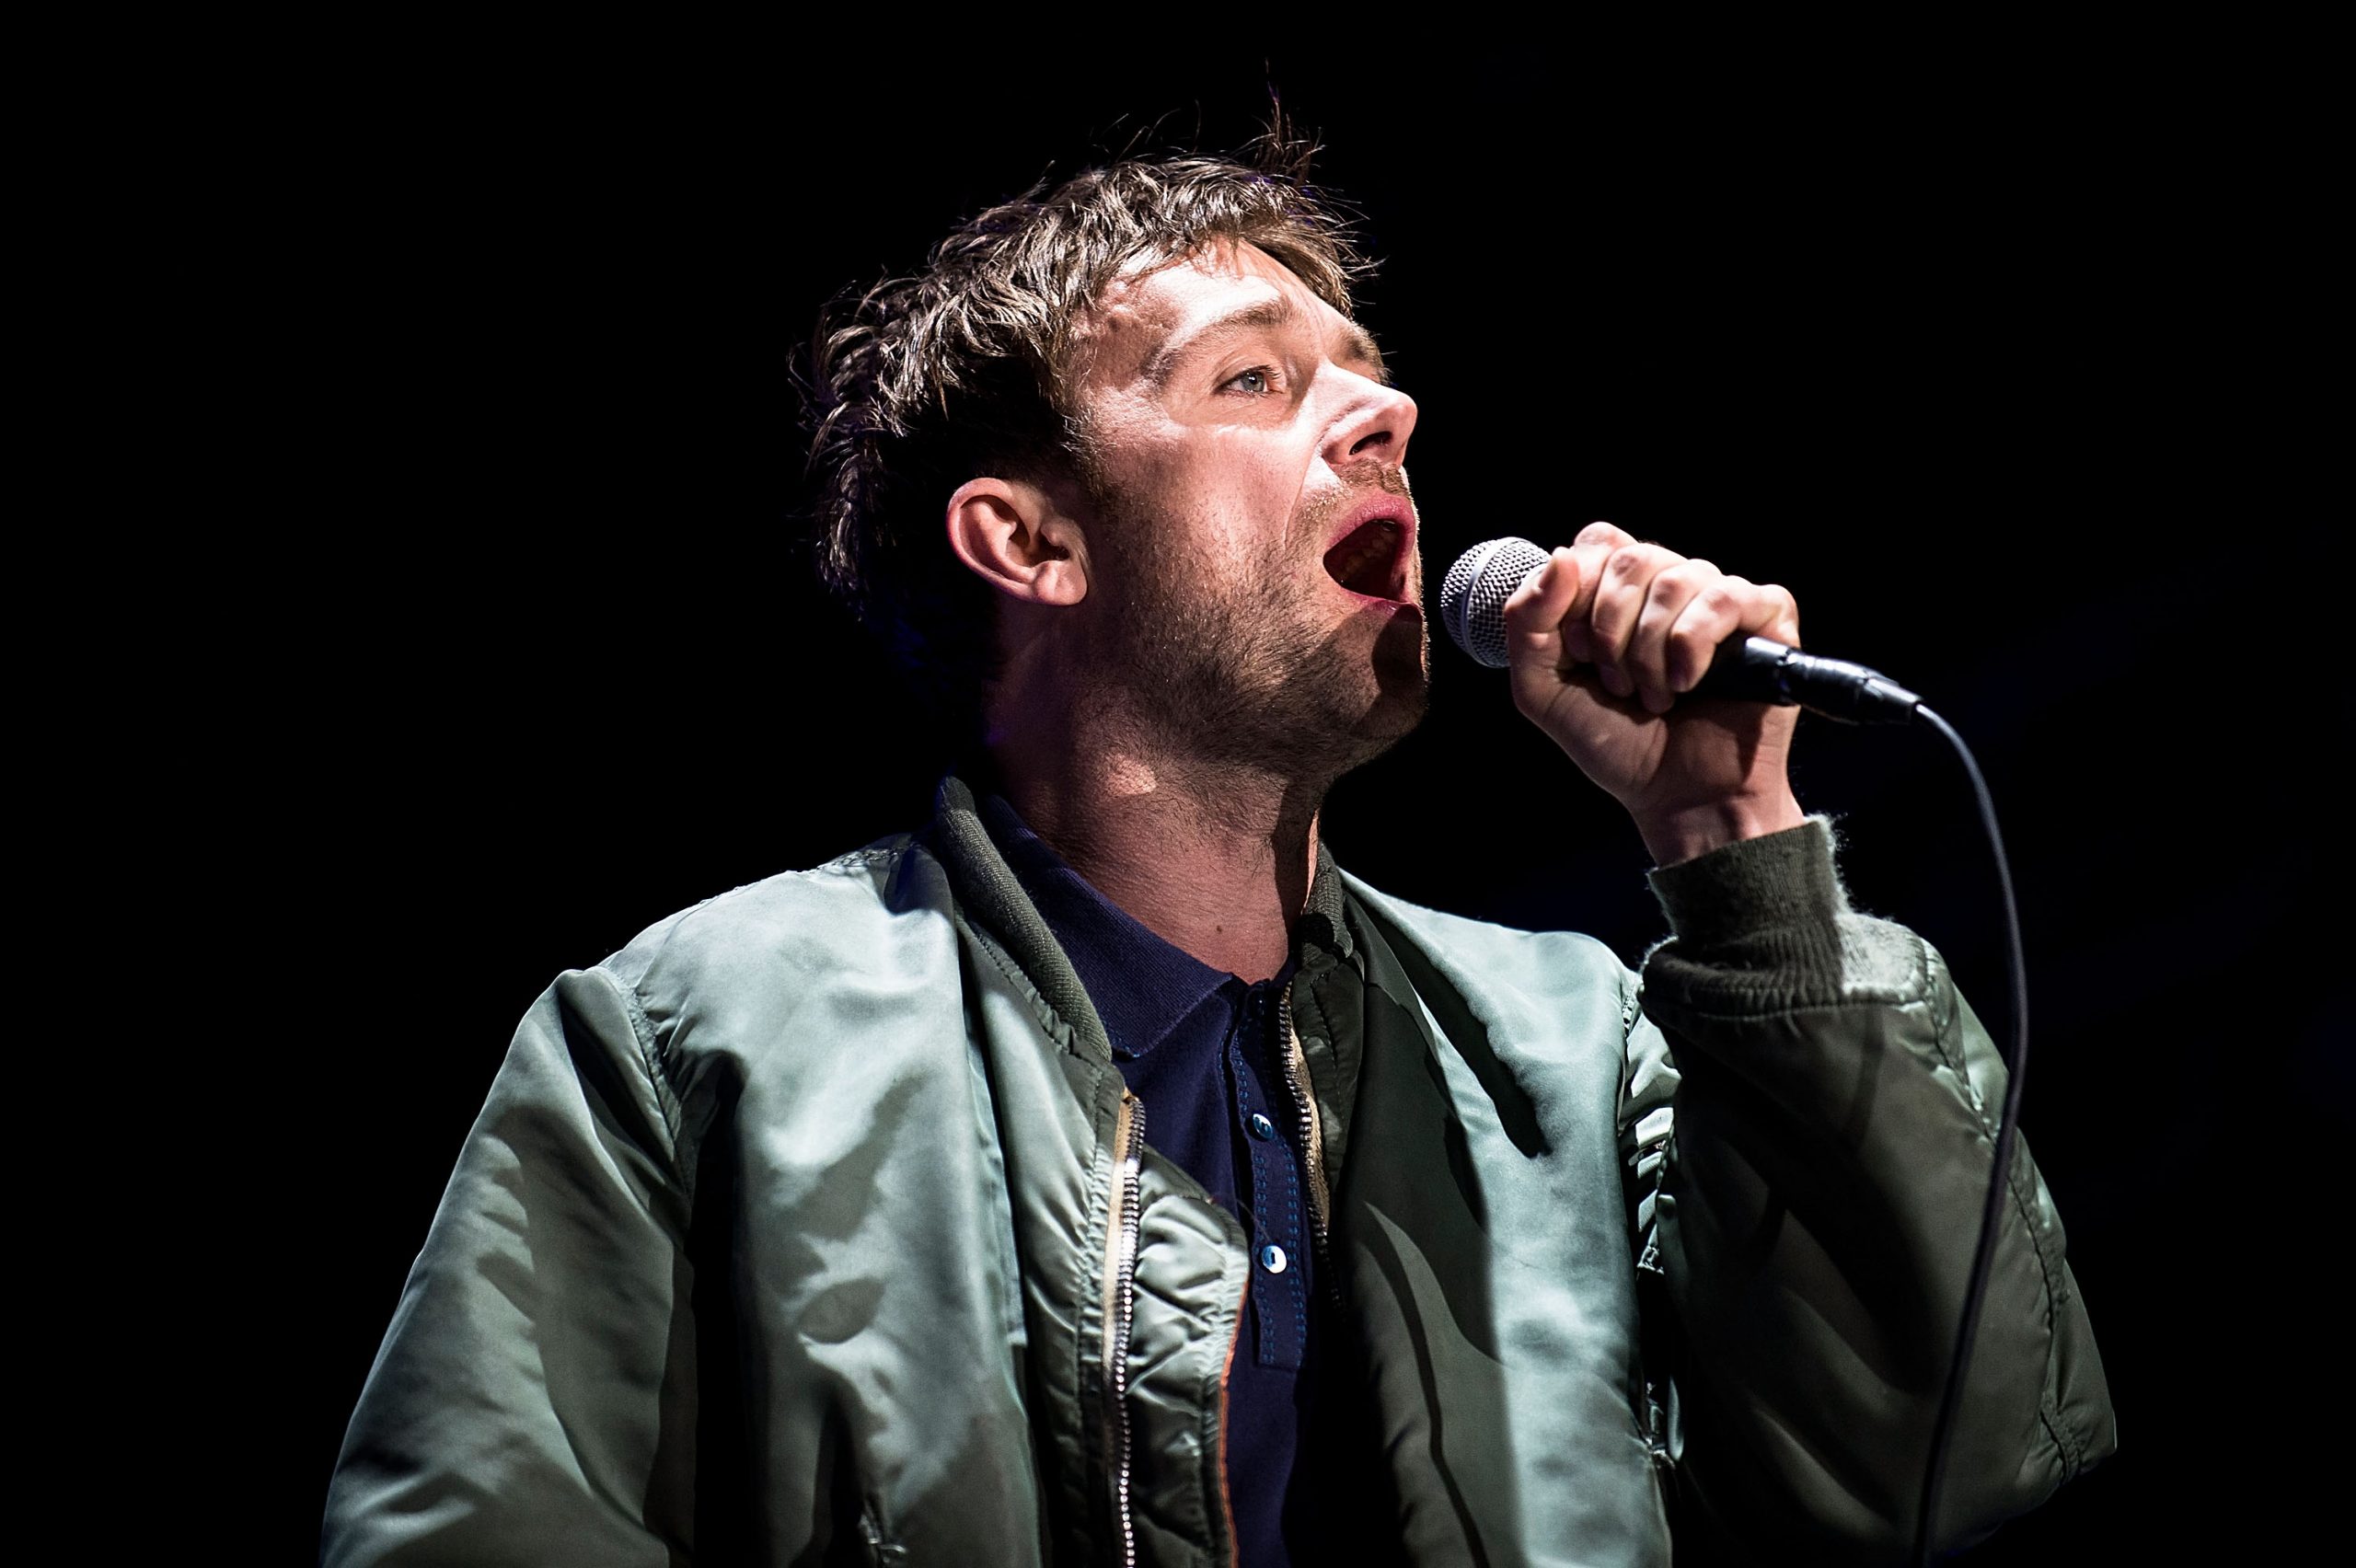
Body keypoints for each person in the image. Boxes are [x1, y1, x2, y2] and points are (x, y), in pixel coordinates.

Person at [322, 137, 2114, 1566]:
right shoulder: (702, 1036)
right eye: (1252, 378)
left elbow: (1931, 1465)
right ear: (1029, 543)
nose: (1385, 419)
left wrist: (1729, 837)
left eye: (1370, 380)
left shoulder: (1575, 1051)